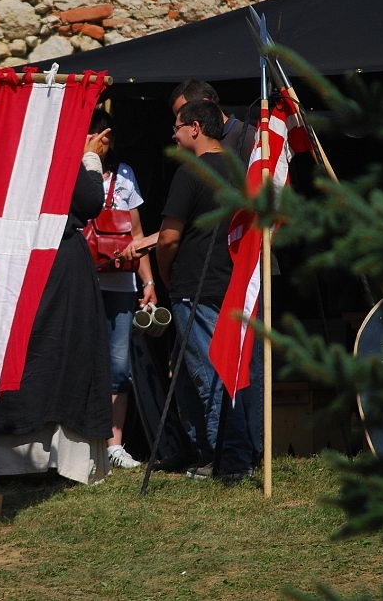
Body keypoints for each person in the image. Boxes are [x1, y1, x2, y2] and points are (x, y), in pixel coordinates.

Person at [0, 130, 113, 485]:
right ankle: (28, 457)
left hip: (10, 258)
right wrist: (90, 157)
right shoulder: (50, 144)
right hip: (50, 259)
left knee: (27, 348)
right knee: (51, 349)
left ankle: (19, 457)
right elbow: (89, 201)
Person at [156, 99, 256, 481]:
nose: (174, 135)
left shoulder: (190, 172)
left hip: (195, 286)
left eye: (177, 128)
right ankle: (213, 455)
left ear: (195, 128)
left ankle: (231, 461)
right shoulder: (239, 170)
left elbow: (168, 238)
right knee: (208, 373)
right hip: (231, 282)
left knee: (210, 375)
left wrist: (166, 275)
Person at [87, 110, 156, 470]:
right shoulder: (72, 174)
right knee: (84, 359)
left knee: (119, 365)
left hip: (121, 284)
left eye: (106, 135)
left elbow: (138, 235)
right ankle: (84, 442)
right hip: (84, 282)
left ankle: (114, 445)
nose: (102, 142)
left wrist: (149, 282)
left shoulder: (125, 175)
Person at [170, 79, 255, 166]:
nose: (181, 119)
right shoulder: (194, 144)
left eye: (185, 110)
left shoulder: (247, 135)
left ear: (207, 103)